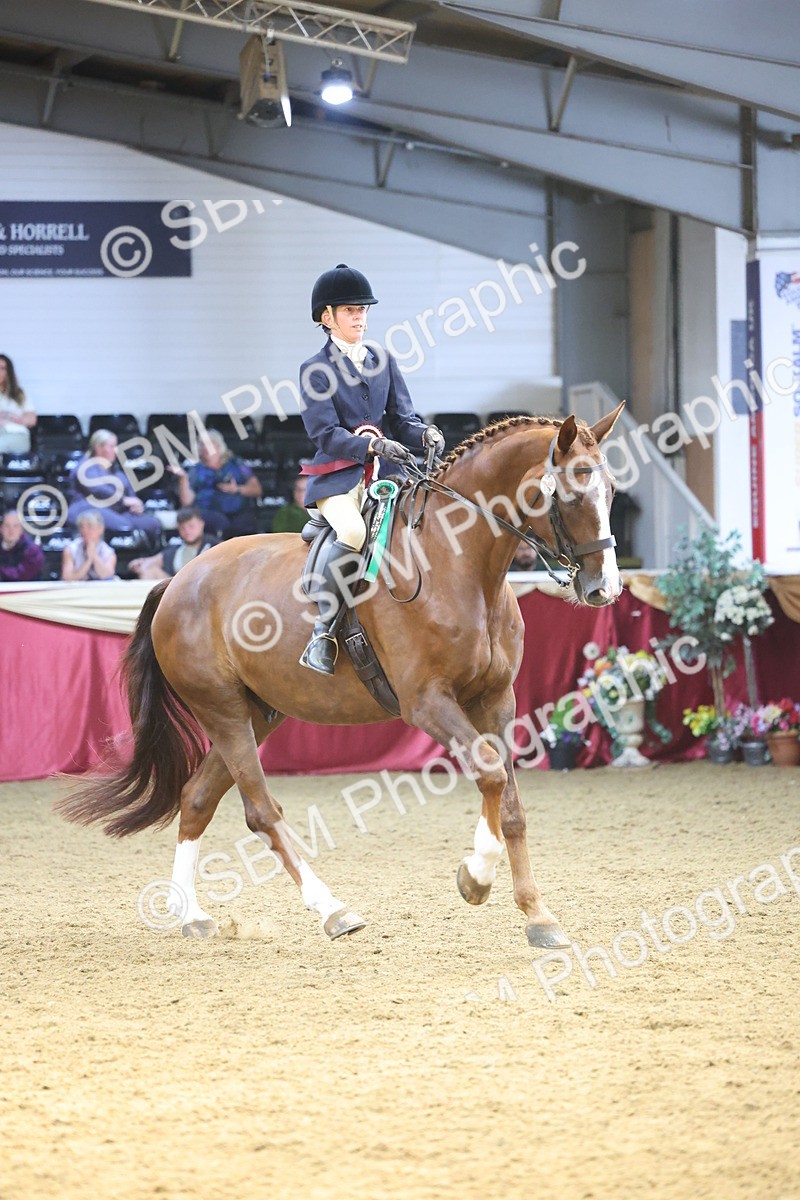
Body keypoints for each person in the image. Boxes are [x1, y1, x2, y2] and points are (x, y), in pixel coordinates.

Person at [297, 263, 445, 675]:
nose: (360, 316)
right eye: (349, 310)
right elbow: (324, 433)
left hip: (389, 477)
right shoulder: (315, 370)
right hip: (339, 479)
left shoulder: (382, 359)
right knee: (353, 531)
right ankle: (323, 632)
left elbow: (403, 419)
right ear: (327, 318)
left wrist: (426, 434)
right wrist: (371, 444)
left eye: (363, 309)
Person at [67, 429, 162, 545]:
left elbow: (129, 491)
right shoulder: (85, 467)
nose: (116, 450)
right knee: (124, 526)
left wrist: (136, 505)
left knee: (153, 524)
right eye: (112, 446)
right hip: (88, 509)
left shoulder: (115, 471)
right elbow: (98, 490)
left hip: (118, 511)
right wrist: (123, 500)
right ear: (98, 447)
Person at [169, 429, 261, 538]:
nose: (205, 449)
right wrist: (183, 479)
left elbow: (257, 490)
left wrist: (237, 489)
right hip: (208, 513)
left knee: (246, 523)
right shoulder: (195, 470)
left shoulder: (237, 465)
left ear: (219, 447)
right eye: (202, 445)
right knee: (219, 522)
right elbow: (187, 502)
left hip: (238, 513)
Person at [129, 506, 218, 579]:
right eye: (183, 528)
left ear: (201, 524)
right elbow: (155, 560)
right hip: (174, 590)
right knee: (148, 569)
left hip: (204, 587)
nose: (187, 531)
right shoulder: (175, 547)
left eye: (191, 526)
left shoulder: (215, 546)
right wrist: (139, 563)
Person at [61, 511, 117, 581]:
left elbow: (107, 576)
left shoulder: (109, 552)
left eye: (89, 526)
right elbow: (67, 577)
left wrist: (94, 556)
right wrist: (88, 561)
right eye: (82, 526)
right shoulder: (70, 549)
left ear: (101, 529)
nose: (84, 530)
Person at [0, 354, 37, 456]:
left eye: (2, 368)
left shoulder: (19, 394)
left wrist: (16, 418)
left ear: (8, 373)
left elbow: (32, 420)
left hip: (16, 434)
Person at [0, 510, 44, 582]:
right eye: (7, 525)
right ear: (1, 528)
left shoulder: (33, 551)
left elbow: (22, 576)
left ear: (21, 529)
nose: (11, 530)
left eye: (16, 526)